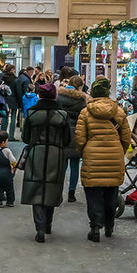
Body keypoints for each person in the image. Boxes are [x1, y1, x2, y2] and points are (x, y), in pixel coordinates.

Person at [75, 78, 130, 242]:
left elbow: (79, 139)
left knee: (93, 194)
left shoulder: (85, 112)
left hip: (92, 157)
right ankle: (110, 225)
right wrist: (119, 151)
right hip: (114, 156)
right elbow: (126, 138)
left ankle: (95, 227)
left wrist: (84, 152)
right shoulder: (119, 112)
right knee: (111, 193)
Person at [20, 81, 70, 243]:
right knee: (52, 187)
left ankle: (39, 228)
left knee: (37, 189)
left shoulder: (32, 113)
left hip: (36, 153)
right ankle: (48, 224)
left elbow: (25, 138)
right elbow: (67, 140)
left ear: (40, 95)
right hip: (56, 154)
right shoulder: (62, 115)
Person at [56, 75, 88, 204]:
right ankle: (71, 193)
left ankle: (58, 192)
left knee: (61, 167)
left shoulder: (59, 97)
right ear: (80, 86)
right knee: (75, 166)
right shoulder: (81, 100)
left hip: (61, 134)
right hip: (76, 134)